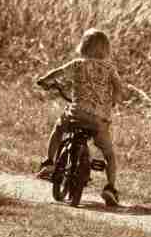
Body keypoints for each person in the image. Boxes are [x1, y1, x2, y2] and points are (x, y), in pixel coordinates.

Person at [35, 28, 124, 206]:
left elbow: (57, 72)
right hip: (99, 119)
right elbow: (118, 88)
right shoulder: (109, 68)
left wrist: (44, 80)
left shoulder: (78, 64)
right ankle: (110, 188)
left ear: (83, 46)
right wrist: (114, 99)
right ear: (106, 49)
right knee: (109, 154)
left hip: (76, 113)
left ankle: (49, 162)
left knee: (59, 128)